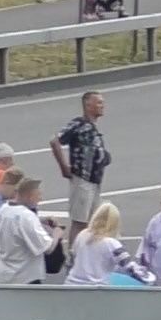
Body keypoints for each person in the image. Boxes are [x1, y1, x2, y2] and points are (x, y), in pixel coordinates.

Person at [0, 178, 56, 320]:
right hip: (26, 275)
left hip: (6, 273)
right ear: (29, 196)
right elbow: (44, 247)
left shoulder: (4, 210)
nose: (40, 198)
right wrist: (57, 235)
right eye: (38, 195)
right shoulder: (25, 216)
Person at [48, 90, 109, 242]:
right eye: (99, 102)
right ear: (88, 105)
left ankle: (86, 253)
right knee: (80, 221)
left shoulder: (93, 127)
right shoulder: (79, 124)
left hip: (95, 181)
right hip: (83, 180)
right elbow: (55, 141)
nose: (103, 106)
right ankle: (73, 256)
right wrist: (64, 167)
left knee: (92, 219)